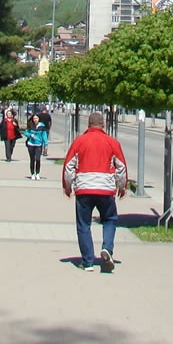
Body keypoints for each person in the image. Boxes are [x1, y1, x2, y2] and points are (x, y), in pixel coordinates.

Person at [62, 111, 127, 272]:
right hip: (105, 188)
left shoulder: (79, 141)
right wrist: (122, 186)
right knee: (110, 219)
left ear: (88, 124)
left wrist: (68, 186)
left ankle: (88, 262)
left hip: (84, 188)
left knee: (84, 224)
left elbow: (69, 166)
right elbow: (121, 167)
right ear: (103, 124)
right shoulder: (112, 142)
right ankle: (107, 248)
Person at [24, 114, 48, 179]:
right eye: (34, 118)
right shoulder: (30, 125)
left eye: (36, 118)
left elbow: (44, 136)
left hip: (39, 145)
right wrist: (30, 135)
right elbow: (25, 133)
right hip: (31, 144)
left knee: (38, 159)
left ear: (39, 119)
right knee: (32, 159)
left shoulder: (42, 126)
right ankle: (32, 174)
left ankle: (37, 173)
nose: (35, 120)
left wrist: (46, 145)